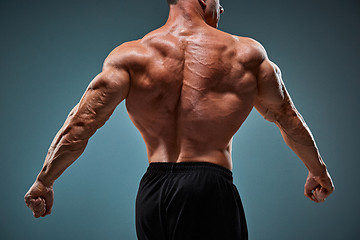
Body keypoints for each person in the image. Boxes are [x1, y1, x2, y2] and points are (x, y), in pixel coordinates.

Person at [24, 0, 334, 239]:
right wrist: (317, 171)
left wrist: (44, 181)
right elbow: (287, 117)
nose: (222, 8)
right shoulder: (244, 54)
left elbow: (81, 122)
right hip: (209, 190)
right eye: (218, 1)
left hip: (152, 193)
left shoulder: (130, 56)